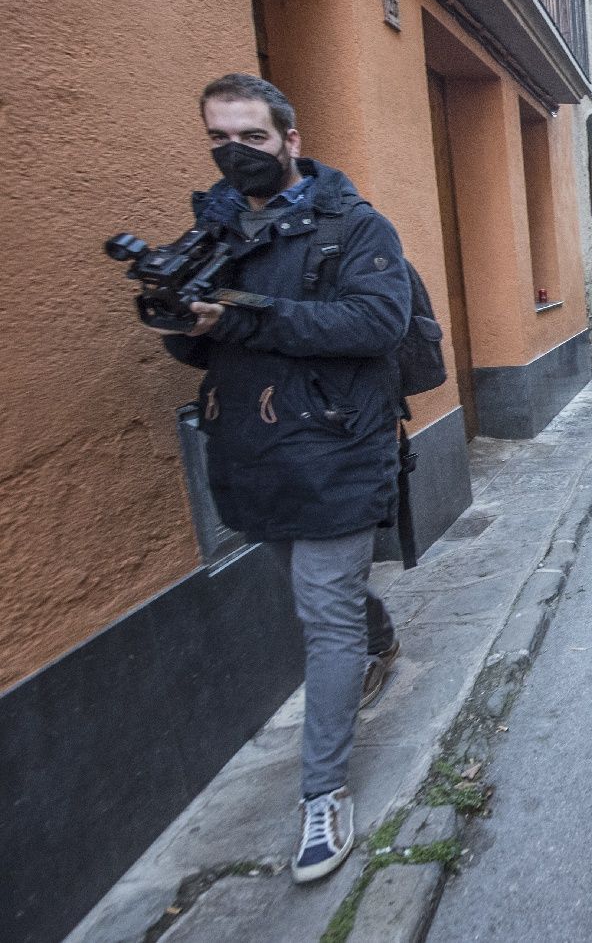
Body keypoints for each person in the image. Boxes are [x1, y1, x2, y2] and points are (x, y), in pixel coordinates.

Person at [154, 74, 411, 881]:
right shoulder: (216, 231)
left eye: (253, 138)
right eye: (220, 139)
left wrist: (244, 316)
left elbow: (377, 321)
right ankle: (378, 634)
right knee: (314, 593)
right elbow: (202, 350)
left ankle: (322, 793)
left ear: (290, 140)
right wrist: (181, 321)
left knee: (322, 620)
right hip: (251, 453)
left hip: (334, 449)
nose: (237, 153)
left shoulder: (354, 225)